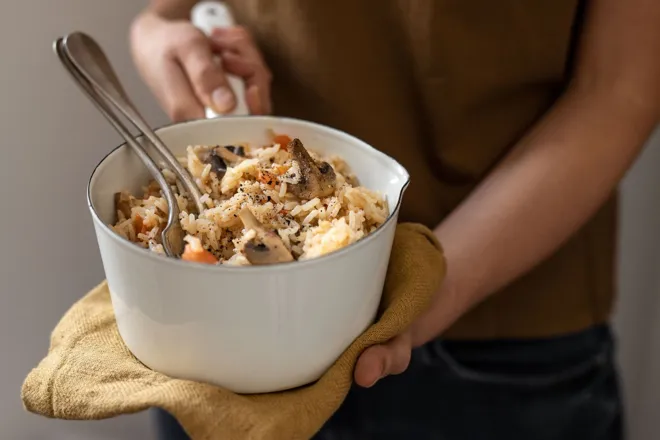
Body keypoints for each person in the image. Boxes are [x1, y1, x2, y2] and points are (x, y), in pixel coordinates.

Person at [130, 1, 660, 439]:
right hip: (231, 321)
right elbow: (169, 15)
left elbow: (620, 89)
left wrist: (428, 281)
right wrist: (161, 34)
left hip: (504, 343)